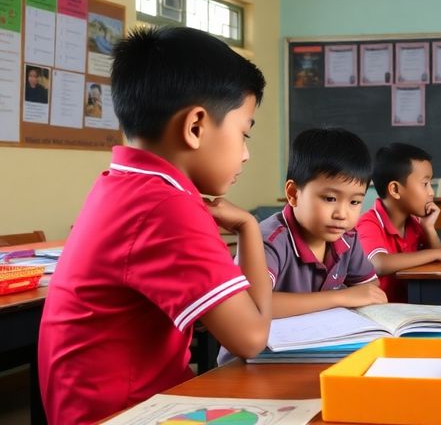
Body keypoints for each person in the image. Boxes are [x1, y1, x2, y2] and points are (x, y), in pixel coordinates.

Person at [37, 27, 274, 423]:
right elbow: (251, 339)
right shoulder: (165, 205)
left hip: (109, 405)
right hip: (126, 414)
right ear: (196, 126)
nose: (246, 154)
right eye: (243, 133)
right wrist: (250, 227)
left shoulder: (122, 185)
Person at [260, 128, 386, 317]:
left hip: (323, 341)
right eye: (329, 199)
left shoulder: (347, 238)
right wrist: (340, 297)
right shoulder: (269, 240)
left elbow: (369, 287)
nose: (342, 214)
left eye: (355, 202)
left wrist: (356, 295)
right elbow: (255, 305)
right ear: (293, 194)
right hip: (271, 345)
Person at [355, 143, 441, 302]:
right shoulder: (370, 223)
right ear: (395, 190)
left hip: (412, 305)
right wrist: (437, 253)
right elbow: (378, 263)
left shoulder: (414, 223)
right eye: (425, 184)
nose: (431, 192)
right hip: (383, 314)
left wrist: (429, 229)